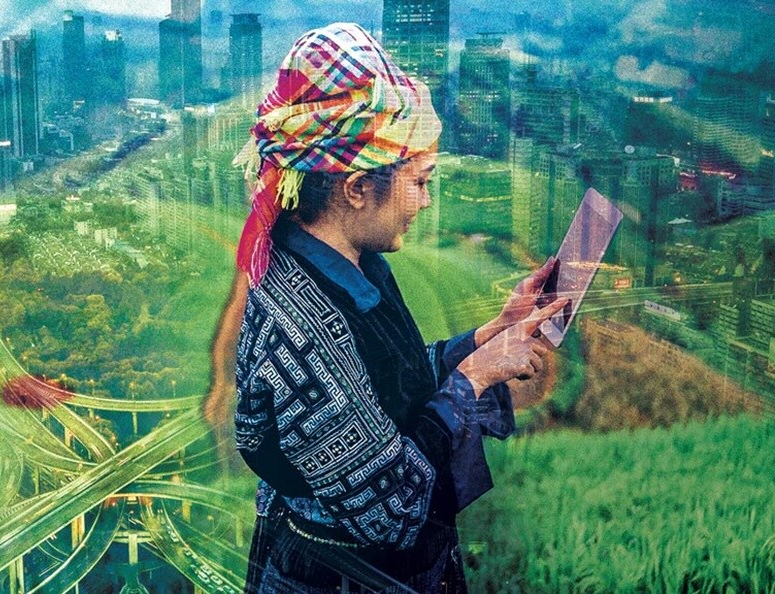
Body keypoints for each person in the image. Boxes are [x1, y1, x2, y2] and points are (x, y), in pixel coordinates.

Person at [203, 22, 567, 593]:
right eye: (420, 181)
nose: (425, 201)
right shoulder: (298, 327)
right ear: (355, 188)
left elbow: (380, 388)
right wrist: (474, 379)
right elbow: (388, 507)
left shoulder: (352, 268)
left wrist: (489, 336)